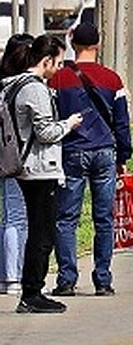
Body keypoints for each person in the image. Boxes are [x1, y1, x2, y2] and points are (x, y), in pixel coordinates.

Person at [49, 21, 133, 298]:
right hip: (105, 153)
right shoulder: (113, 80)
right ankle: (103, 280)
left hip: (70, 152)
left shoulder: (58, 79)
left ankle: (66, 279)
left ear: (73, 45)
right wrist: (123, 155)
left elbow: (51, 117)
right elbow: (121, 122)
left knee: (66, 219)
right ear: (97, 45)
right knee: (104, 219)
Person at [1, 34, 82, 314]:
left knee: (38, 229)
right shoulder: (34, 89)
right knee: (42, 233)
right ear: (46, 60)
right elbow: (45, 132)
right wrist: (68, 125)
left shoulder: (12, 85)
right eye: (58, 62)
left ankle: (31, 291)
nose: (59, 68)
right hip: (38, 169)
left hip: (28, 167)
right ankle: (32, 293)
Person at [0, 34, 34, 297]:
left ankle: (6, 274)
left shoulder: (2, 84)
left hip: (4, 157)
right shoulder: (26, 86)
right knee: (18, 217)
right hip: (21, 159)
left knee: (10, 216)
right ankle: (13, 275)